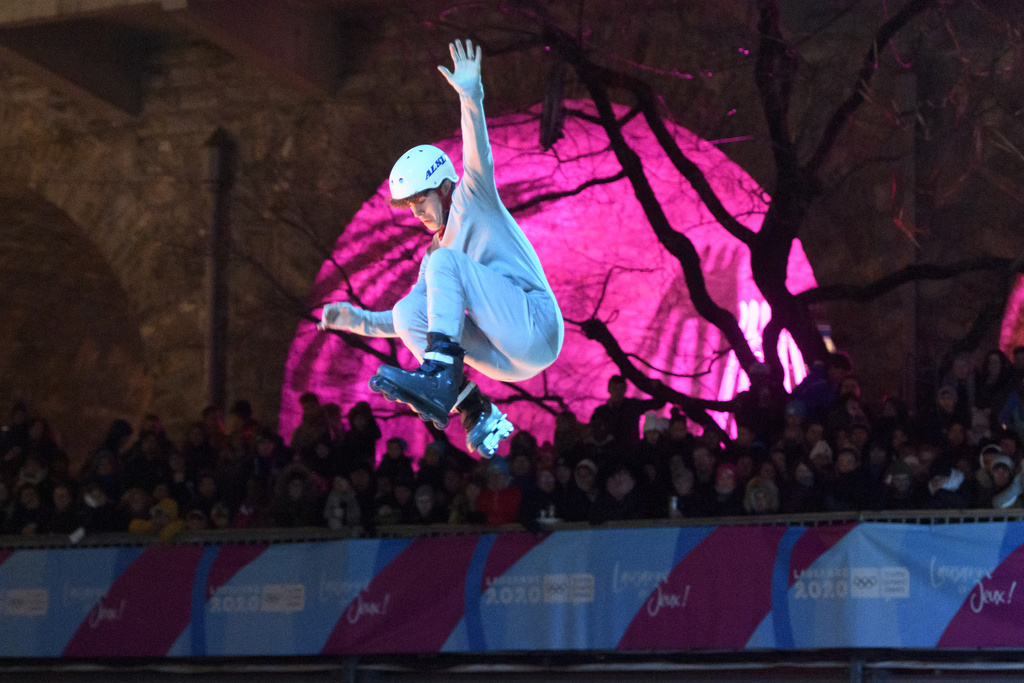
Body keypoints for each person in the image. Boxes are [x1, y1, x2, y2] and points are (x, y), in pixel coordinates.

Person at [318, 39, 563, 457]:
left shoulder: (473, 198)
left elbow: (476, 155)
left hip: (536, 326)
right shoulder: (435, 257)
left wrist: (471, 94)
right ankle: (475, 409)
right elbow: (414, 321)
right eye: (410, 206)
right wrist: (354, 321)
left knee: (444, 264)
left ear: (445, 189)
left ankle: (442, 374)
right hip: (506, 360)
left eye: (420, 201)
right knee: (408, 306)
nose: (416, 214)